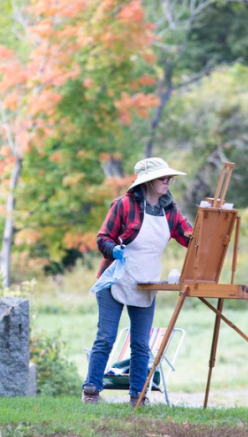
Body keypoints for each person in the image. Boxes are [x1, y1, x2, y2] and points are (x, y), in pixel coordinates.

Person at [82, 157, 193, 407]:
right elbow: (102, 238)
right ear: (148, 181)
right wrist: (114, 250)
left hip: (146, 283)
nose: (168, 181)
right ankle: (91, 391)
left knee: (141, 343)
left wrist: (211, 229)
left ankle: (138, 397)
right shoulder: (123, 205)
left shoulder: (170, 211)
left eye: (169, 178)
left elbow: (191, 239)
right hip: (115, 280)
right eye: (163, 177)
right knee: (106, 338)